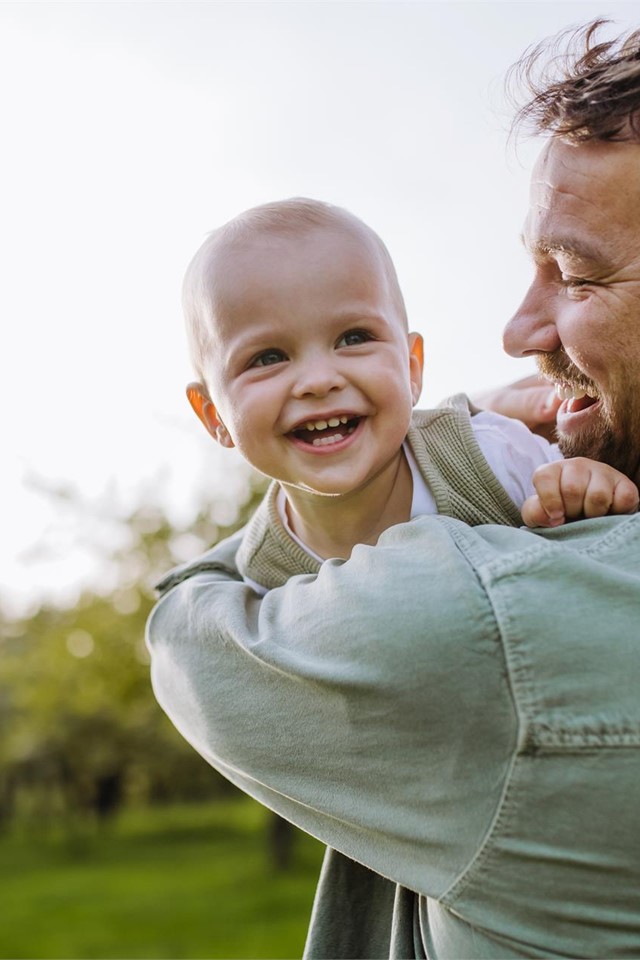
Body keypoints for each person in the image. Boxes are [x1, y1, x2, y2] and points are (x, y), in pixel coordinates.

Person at [147, 20, 640, 960]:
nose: (516, 328)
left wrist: (558, 471)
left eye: (575, 273)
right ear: (210, 413)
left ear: (410, 367)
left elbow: (185, 628)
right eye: (266, 358)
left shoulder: (483, 531)